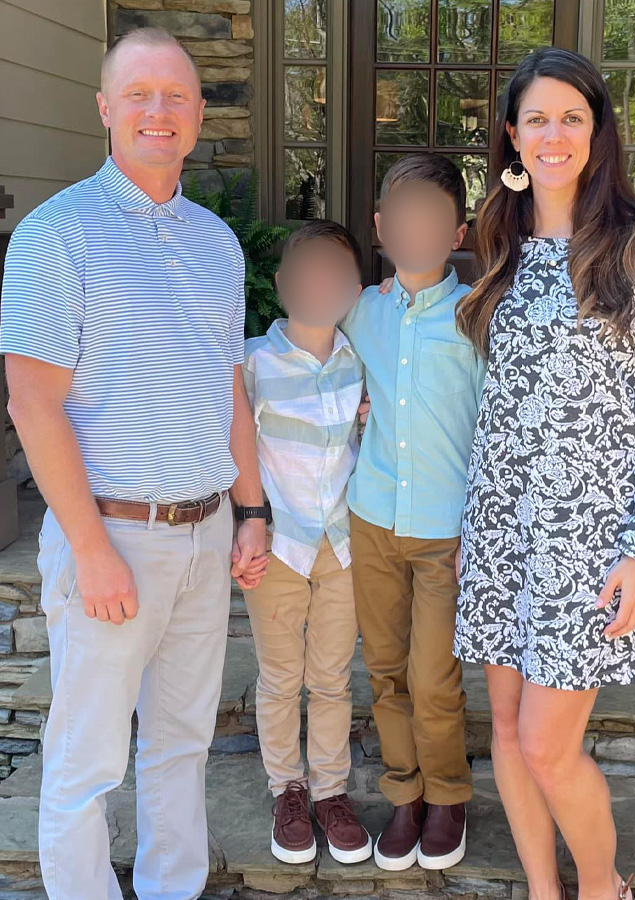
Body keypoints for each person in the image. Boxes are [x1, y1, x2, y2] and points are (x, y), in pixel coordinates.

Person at [0, 28, 266, 900]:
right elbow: (32, 403)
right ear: (106, 108)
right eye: (140, 93)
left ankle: (171, 888)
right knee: (88, 759)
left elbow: (229, 389)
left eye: (177, 95)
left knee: (182, 743)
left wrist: (251, 512)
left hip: (204, 533)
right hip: (111, 534)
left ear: (198, 115)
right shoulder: (56, 234)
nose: (160, 110)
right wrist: (90, 548)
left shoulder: (216, 243)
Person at [453, 47, 635, 900]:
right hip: (501, 530)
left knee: (549, 746)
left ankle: (602, 887)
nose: (552, 134)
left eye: (571, 117)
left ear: (597, 133)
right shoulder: (503, 242)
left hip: (590, 540)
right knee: (508, 734)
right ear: (512, 135)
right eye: (536, 118)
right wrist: (474, 527)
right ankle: (543, 890)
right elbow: (498, 404)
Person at [342, 154, 486, 872]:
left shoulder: (479, 316)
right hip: (371, 518)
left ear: (457, 232)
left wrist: (483, 525)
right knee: (386, 668)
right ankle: (405, 793)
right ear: (380, 227)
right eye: (402, 217)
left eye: (433, 218)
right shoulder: (358, 310)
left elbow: (499, 431)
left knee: (433, 676)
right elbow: (310, 364)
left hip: (444, 531)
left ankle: (448, 795)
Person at [240, 220, 372, 866]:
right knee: (279, 674)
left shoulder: (360, 363)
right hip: (278, 542)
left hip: (342, 545)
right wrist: (244, 522)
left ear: (354, 290)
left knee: (330, 676)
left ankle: (330, 790)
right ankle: (286, 788)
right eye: (308, 274)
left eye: (334, 276)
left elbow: (368, 443)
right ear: (282, 283)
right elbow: (234, 449)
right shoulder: (253, 363)